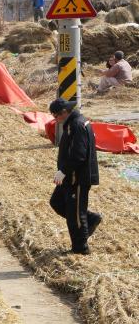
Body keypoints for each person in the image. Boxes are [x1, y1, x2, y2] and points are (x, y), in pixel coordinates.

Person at [49, 98, 101, 254]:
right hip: (69, 177)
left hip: (77, 178)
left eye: (55, 116)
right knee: (57, 202)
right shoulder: (72, 123)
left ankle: (80, 248)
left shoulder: (77, 125)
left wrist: (63, 170)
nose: (55, 120)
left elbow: (79, 155)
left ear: (64, 112)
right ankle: (90, 219)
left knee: (75, 215)